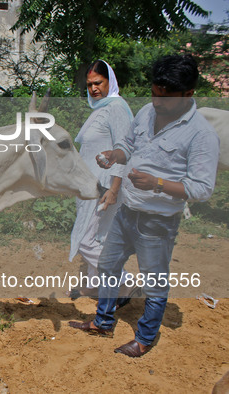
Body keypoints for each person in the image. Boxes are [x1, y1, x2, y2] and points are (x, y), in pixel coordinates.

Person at [69, 55, 219, 357]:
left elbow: (202, 188)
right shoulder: (147, 112)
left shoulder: (201, 134)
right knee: (108, 266)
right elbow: (128, 143)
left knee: (154, 282)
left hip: (158, 220)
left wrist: (157, 184)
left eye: (167, 96)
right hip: (128, 211)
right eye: (155, 92)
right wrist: (115, 154)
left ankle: (146, 337)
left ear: (188, 94)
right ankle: (104, 322)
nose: (158, 101)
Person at [67, 60, 136, 302]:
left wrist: (115, 189)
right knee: (98, 237)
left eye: (98, 82)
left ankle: (126, 282)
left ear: (110, 82)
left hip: (106, 185)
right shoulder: (101, 109)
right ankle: (97, 287)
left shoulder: (116, 107)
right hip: (90, 185)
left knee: (86, 239)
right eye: (89, 84)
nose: (94, 88)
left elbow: (124, 149)